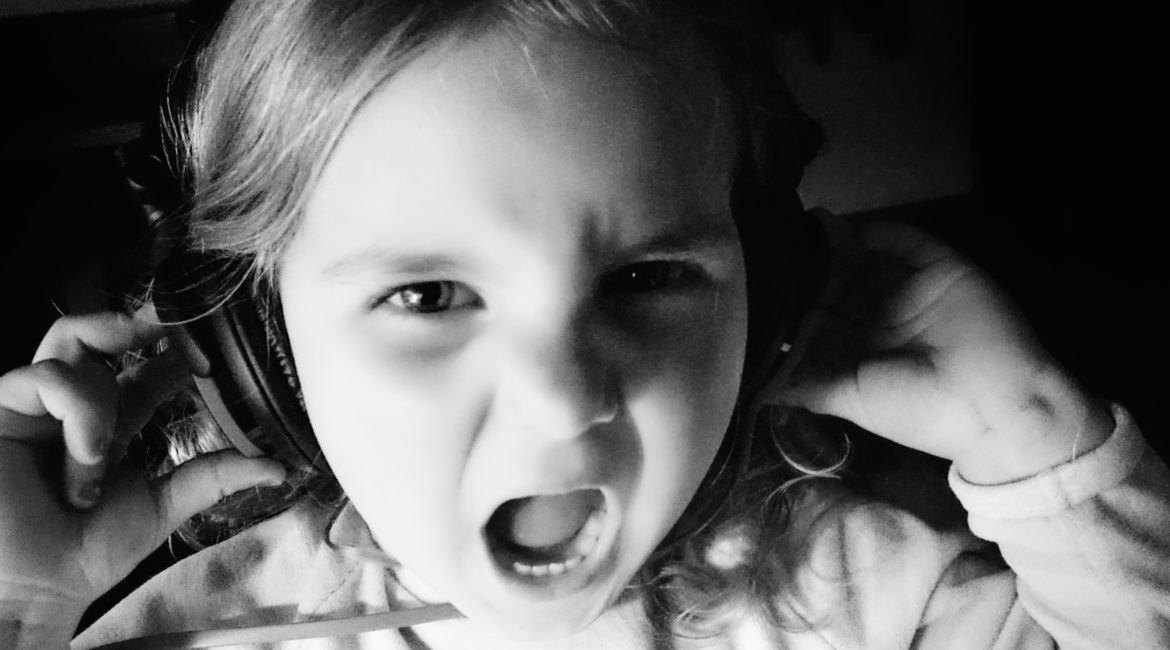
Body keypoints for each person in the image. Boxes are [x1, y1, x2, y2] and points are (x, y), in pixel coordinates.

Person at [2, 0, 1168, 648]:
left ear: (770, 300)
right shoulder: (216, 629)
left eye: (646, 276)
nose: (565, 397)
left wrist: (1028, 429)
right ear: (260, 356)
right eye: (427, 294)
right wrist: (22, 609)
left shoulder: (861, 590)